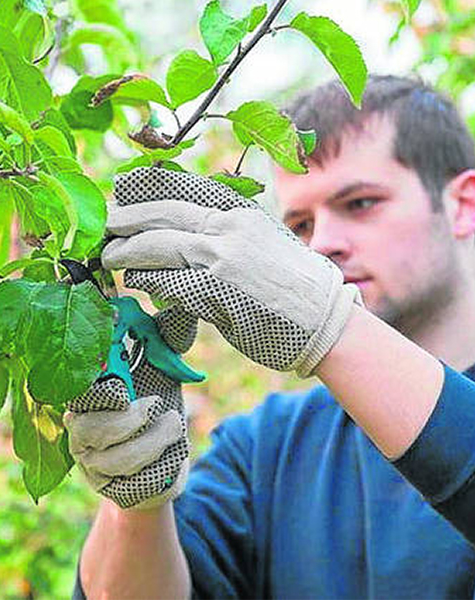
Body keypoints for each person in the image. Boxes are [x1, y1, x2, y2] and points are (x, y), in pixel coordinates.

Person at [66, 75, 475, 599]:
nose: (323, 243)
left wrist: (334, 324)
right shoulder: (266, 449)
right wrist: (137, 501)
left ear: (463, 204)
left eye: (361, 203)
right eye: (300, 224)